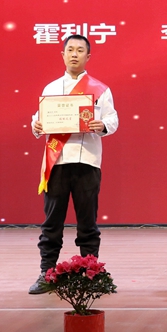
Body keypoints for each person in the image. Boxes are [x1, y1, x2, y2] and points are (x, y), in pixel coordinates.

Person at [29, 34, 119, 294]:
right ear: (63, 55)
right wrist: (36, 125)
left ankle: (90, 274)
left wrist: (102, 125)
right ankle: (47, 273)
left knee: (87, 222)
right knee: (52, 222)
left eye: (80, 50)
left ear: (88, 56)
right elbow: (38, 118)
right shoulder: (51, 89)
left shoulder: (100, 89)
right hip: (57, 162)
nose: (74, 54)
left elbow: (113, 119)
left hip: (87, 161)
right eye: (70, 50)